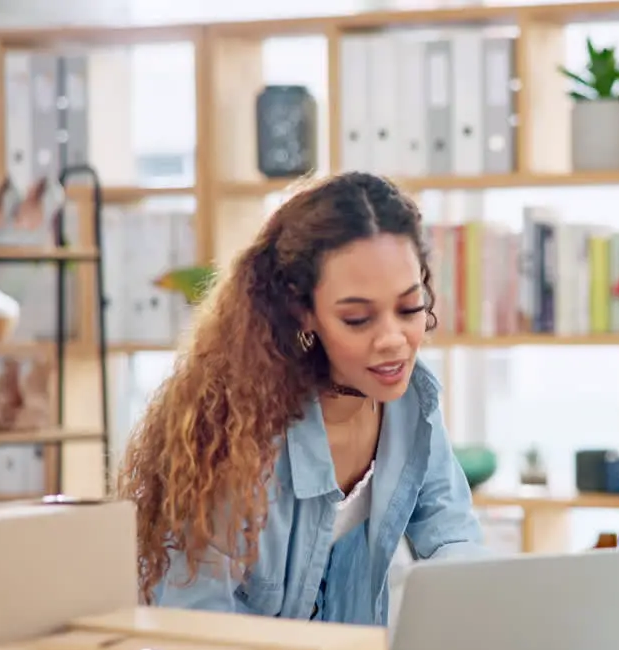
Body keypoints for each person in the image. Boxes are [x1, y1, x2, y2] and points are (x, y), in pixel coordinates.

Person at [117, 171, 486, 624]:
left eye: (410, 308)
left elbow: (454, 536)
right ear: (303, 311)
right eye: (357, 319)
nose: (393, 339)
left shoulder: (412, 405)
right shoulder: (234, 433)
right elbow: (197, 626)